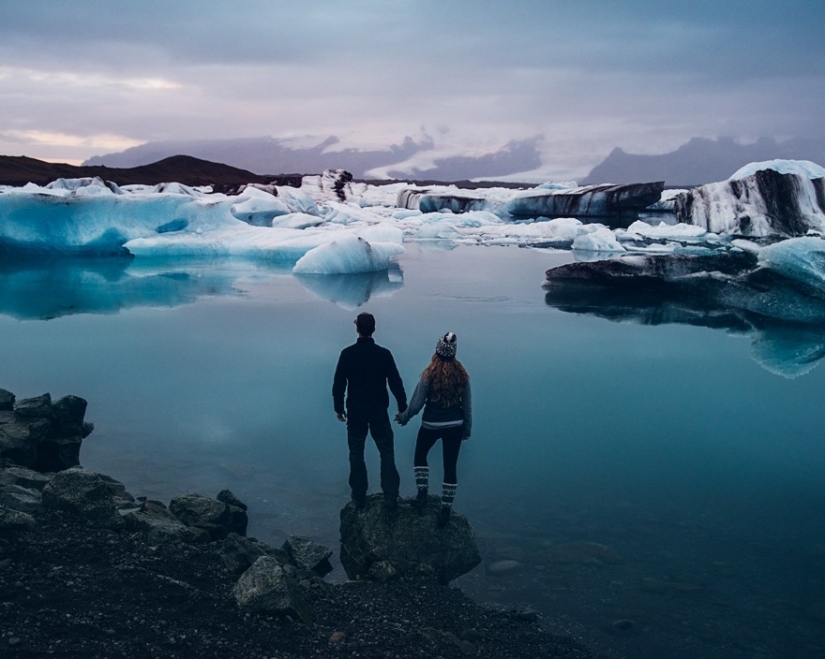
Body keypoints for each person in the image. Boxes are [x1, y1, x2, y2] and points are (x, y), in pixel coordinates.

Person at [395, 332, 472, 527]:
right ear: (454, 352)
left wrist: (404, 417)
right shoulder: (462, 375)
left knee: (420, 455)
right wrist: (467, 429)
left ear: (437, 350)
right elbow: (467, 406)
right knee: (450, 466)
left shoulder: (429, 373)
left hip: (431, 425)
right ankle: (445, 510)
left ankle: (422, 495)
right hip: (455, 426)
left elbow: (417, 404)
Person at [333, 312, 407, 511]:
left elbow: (338, 384)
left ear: (357, 328)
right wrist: (402, 406)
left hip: (356, 412)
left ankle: (359, 498)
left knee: (356, 453)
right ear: (373, 328)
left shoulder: (347, 354)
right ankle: (390, 497)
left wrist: (339, 408)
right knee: (386, 452)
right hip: (378, 412)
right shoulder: (383, 354)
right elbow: (395, 381)